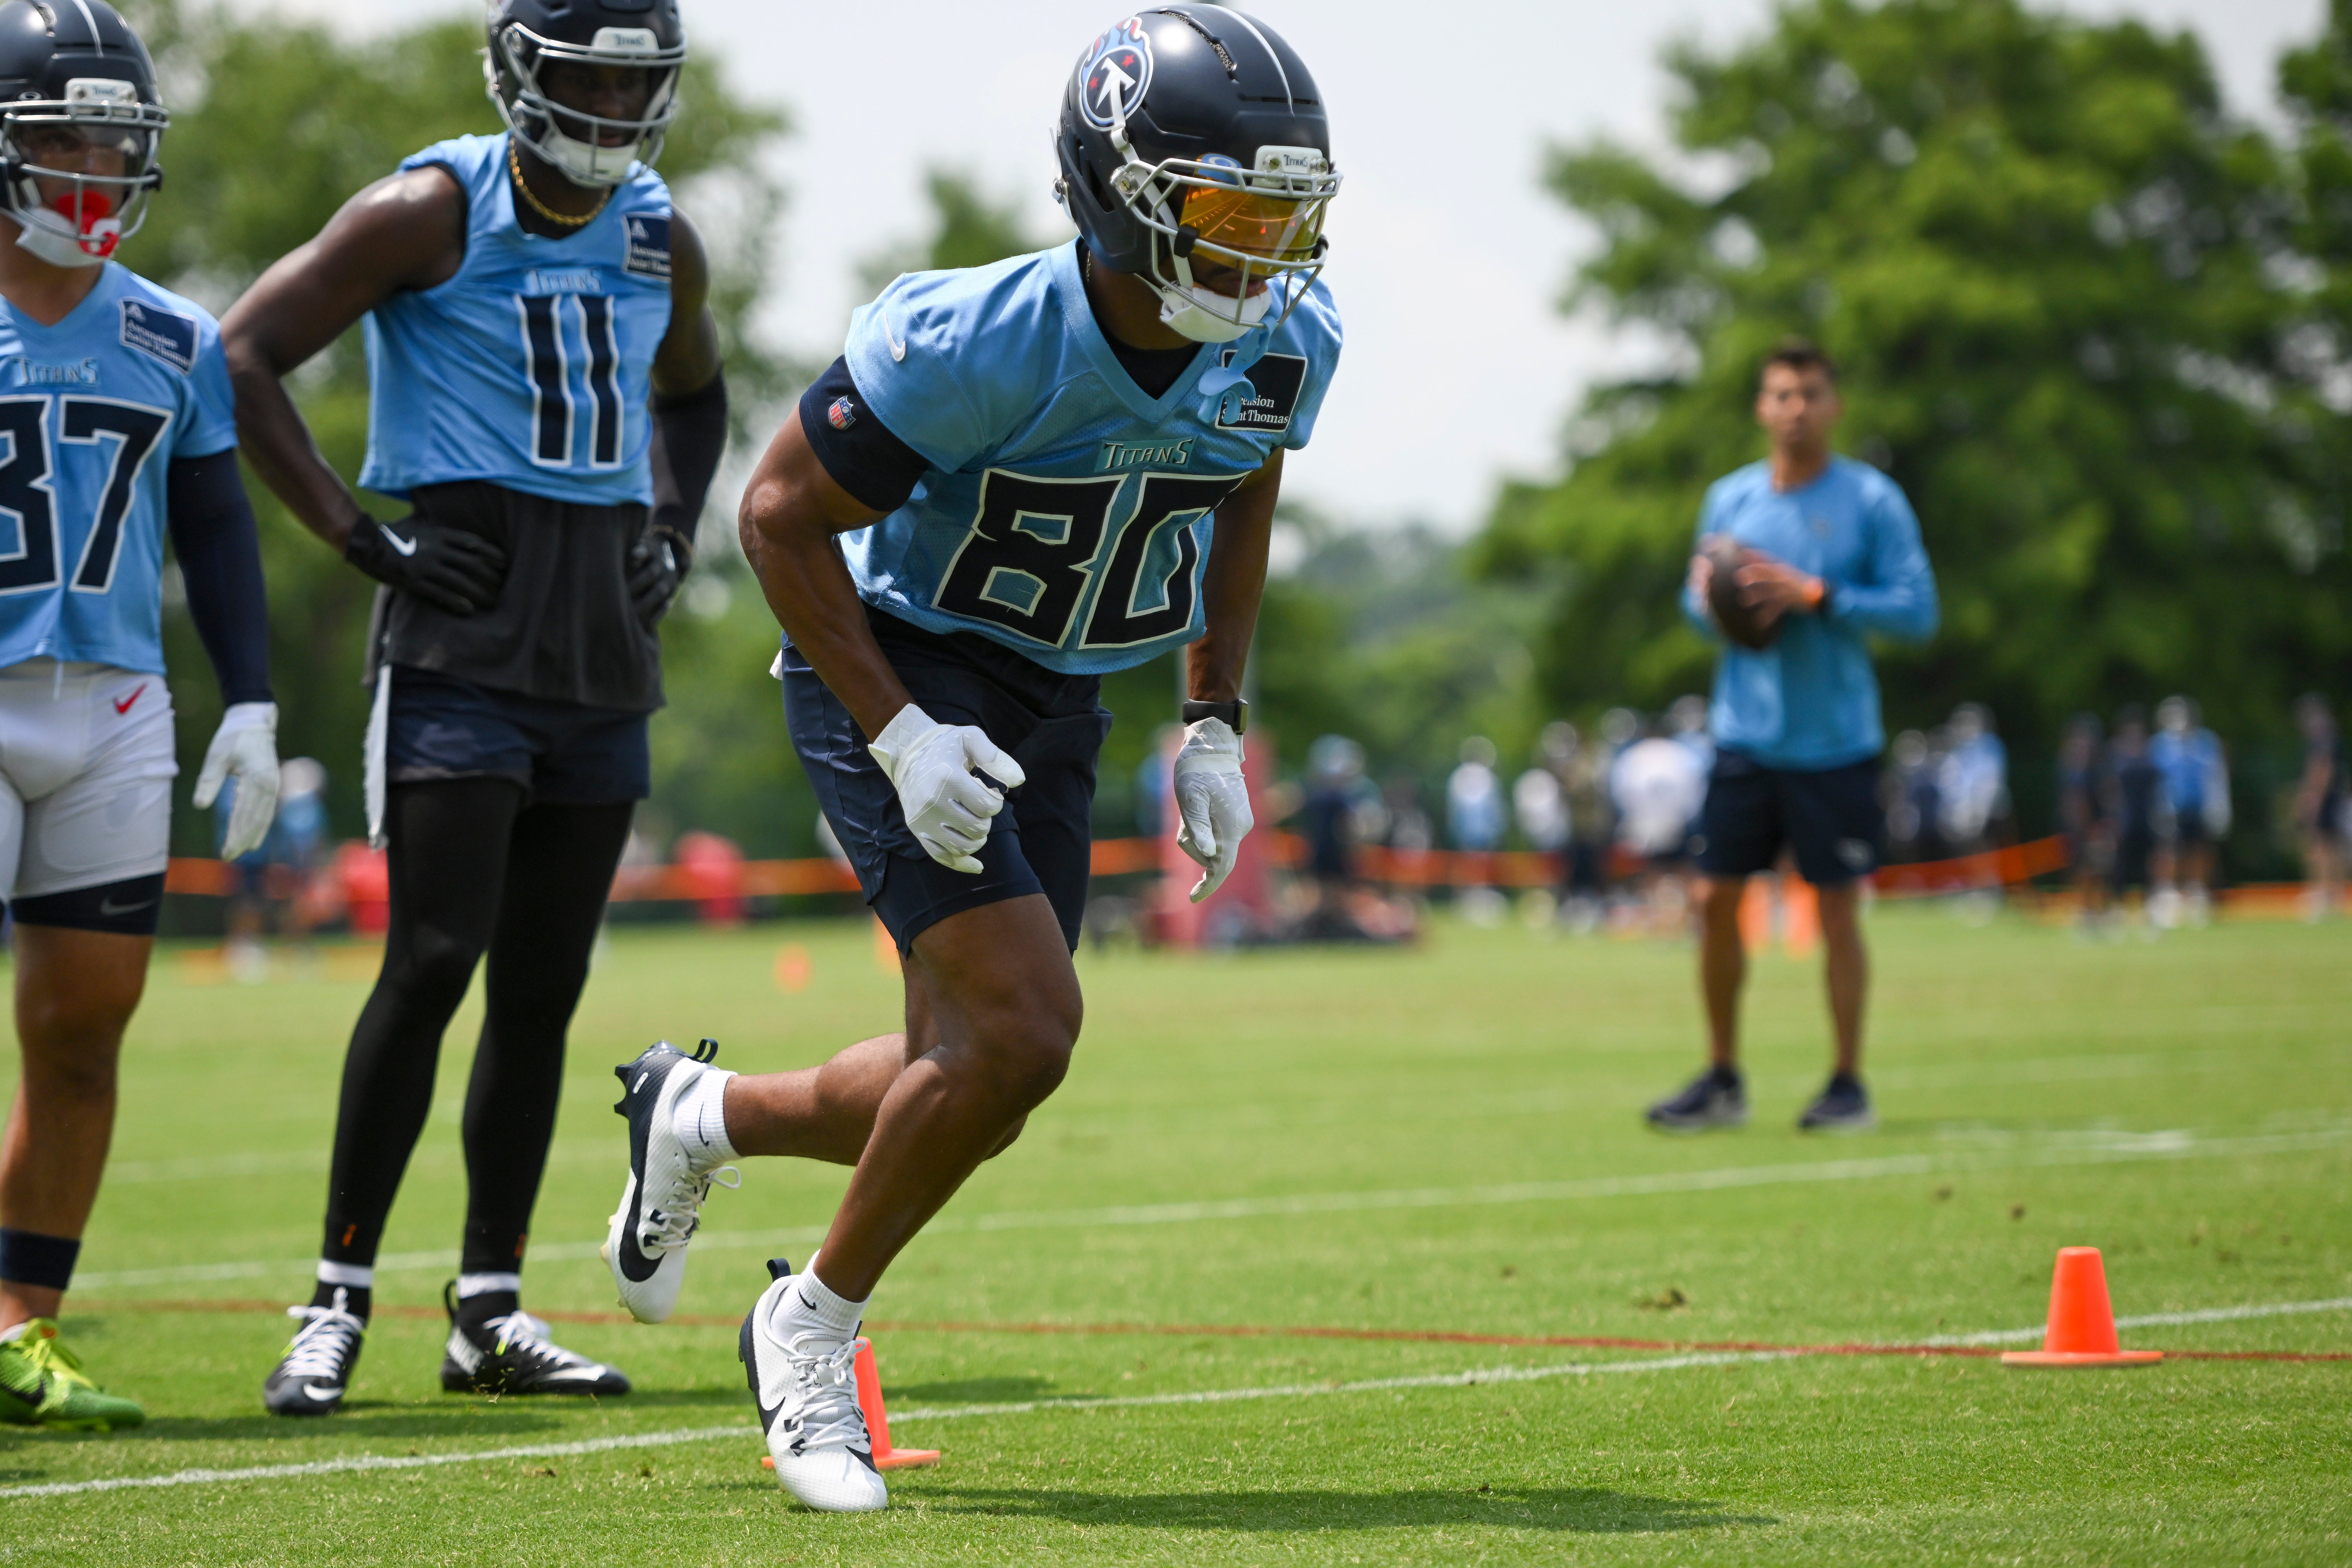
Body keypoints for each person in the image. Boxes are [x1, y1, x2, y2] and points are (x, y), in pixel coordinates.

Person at [596, 6, 1342, 1512]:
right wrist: (900, 726)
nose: (1262, 255)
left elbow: (1243, 475)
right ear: (1119, 190)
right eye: (1227, 213)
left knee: (978, 1079)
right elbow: (777, 519)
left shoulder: (1286, 337)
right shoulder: (978, 336)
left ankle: (701, 1115)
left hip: (1062, 696)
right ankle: (805, 1328)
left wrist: (1214, 711)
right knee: (1024, 1031)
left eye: (1288, 218)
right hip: (899, 660)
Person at [222, 0, 729, 1415]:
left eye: (635, 84)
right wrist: (359, 536)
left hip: (597, 645)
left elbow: (697, 400)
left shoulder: (656, 232)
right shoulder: (430, 208)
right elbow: (242, 354)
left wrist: (674, 534)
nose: (611, 110)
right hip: (460, 624)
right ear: (518, 69)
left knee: (544, 988)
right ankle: (335, 1299)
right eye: (583, 76)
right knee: (433, 958)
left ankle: (490, 1312)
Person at [0, 0, 279, 1431]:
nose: (94, 164)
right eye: (61, 134)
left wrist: (254, 701)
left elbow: (219, 530)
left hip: (112, 703)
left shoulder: (174, 332)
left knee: (87, 1030)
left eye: (115, 137)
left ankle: (21, 1331)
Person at [1647, 340, 1937, 1134]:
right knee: (1713, 899)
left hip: (1836, 741)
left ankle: (1847, 1083)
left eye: (1810, 393)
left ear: (1834, 405)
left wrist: (1816, 594)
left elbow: (1918, 612)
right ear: (1760, 408)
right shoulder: (1729, 501)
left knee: (1837, 910)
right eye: (1781, 394)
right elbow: (1693, 605)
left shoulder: (1872, 500)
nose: (1796, 408)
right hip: (1744, 734)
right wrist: (1716, 602)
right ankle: (1721, 1078)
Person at [2149, 695, 2227, 928]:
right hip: (2171, 809)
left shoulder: (2205, 742)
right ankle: (2167, 895)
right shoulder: (2159, 746)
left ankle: (2198, 894)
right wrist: (2160, 808)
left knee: (2200, 851)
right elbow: (2155, 782)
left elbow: (2216, 777)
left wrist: (2220, 807)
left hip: (2199, 807)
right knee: (2169, 851)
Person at [2056, 712, 2114, 932]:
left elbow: (2106, 797)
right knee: (2082, 870)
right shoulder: (2070, 767)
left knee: (2100, 870)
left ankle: (2101, 912)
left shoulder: (2100, 767)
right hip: (2077, 830)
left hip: (2096, 828)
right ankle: (2085, 912)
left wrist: (2101, 828)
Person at [2108, 706, 2164, 923]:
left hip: (2147, 819)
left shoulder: (2151, 754)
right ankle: (2117, 909)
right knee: (2119, 867)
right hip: (2123, 820)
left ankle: (2151, 910)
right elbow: (2109, 789)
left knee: (2150, 865)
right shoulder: (2115, 755)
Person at [2292, 693, 2345, 921]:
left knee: (2320, 846)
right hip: (2334, 798)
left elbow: (2322, 769)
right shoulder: (2331, 736)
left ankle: (2325, 892)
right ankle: (2332, 892)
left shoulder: (2322, 738)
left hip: (2326, 799)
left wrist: (2313, 798)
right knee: (2330, 845)